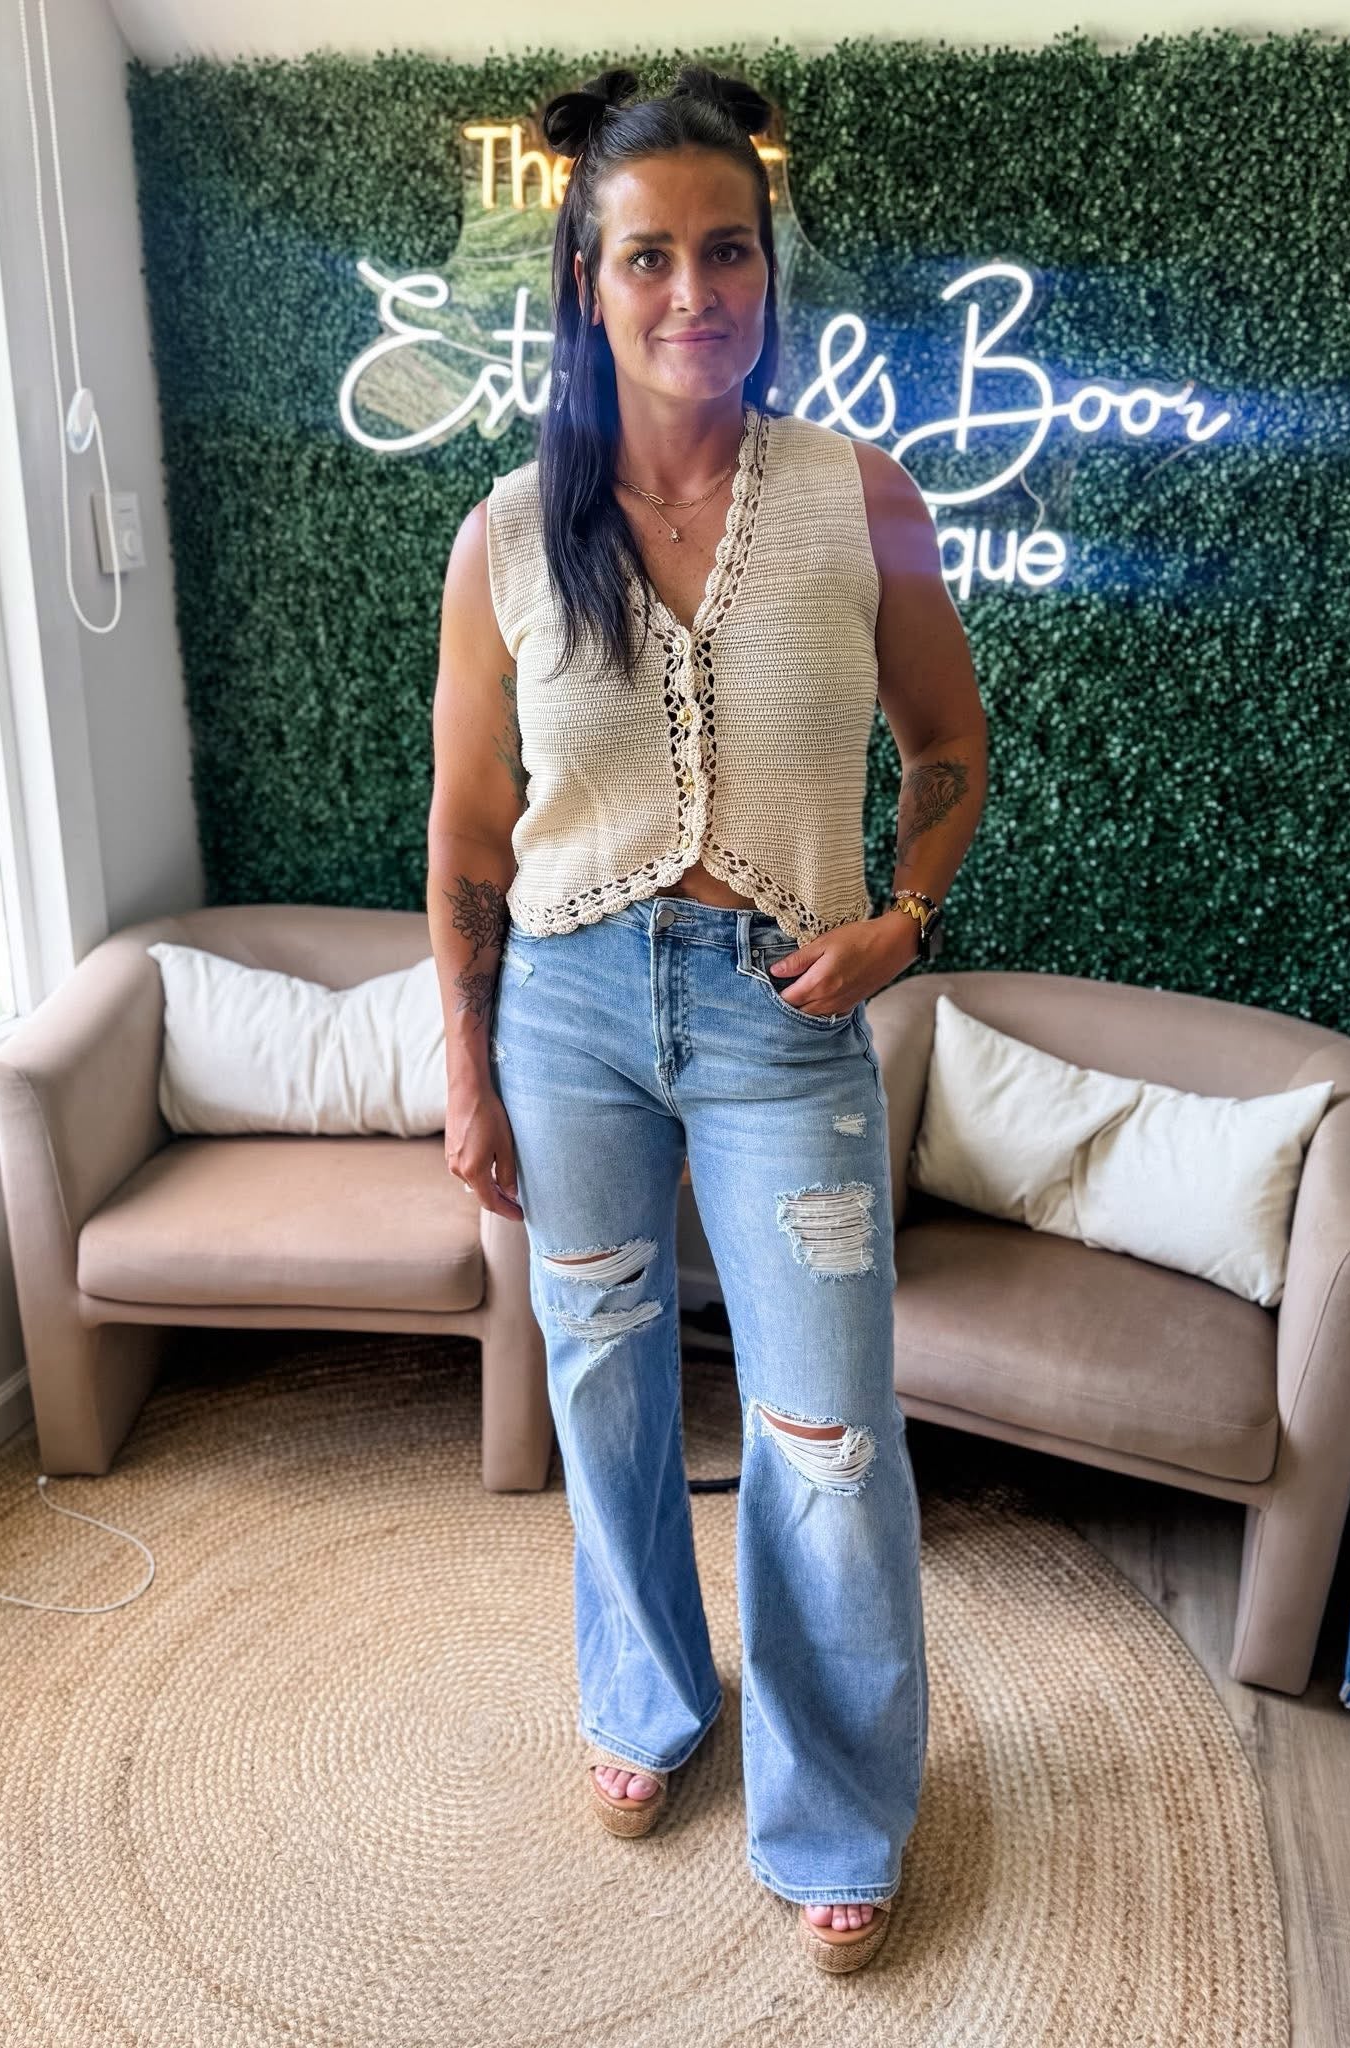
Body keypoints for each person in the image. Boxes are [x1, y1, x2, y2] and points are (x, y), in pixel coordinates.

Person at [428, 60, 986, 1973]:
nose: (695, 292)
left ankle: (838, 1800)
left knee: (825, 1429)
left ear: (767, 266)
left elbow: (950, 749)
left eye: (728, 250)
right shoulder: (508, 535)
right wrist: (466, 1072)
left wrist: (903, 922)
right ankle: (648, 1698)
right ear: (587, 281)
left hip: (780, 1021)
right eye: (649, 256)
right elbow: (471, 835)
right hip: (566, 1018)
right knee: (602, 1379)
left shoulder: (860, 499)